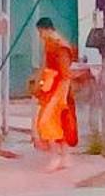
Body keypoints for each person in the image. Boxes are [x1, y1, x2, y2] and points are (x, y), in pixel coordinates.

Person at [32, 17, 81, 173]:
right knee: (60, 123)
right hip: (53, 88)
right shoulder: (52, 45)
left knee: (47, 122)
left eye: (40, 32)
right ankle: (64, 157)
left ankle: (56, 156)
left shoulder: (59, 47)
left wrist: (61, 97)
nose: (40, 36)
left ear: (46, 30)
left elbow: (65, 74)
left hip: (59, 89)